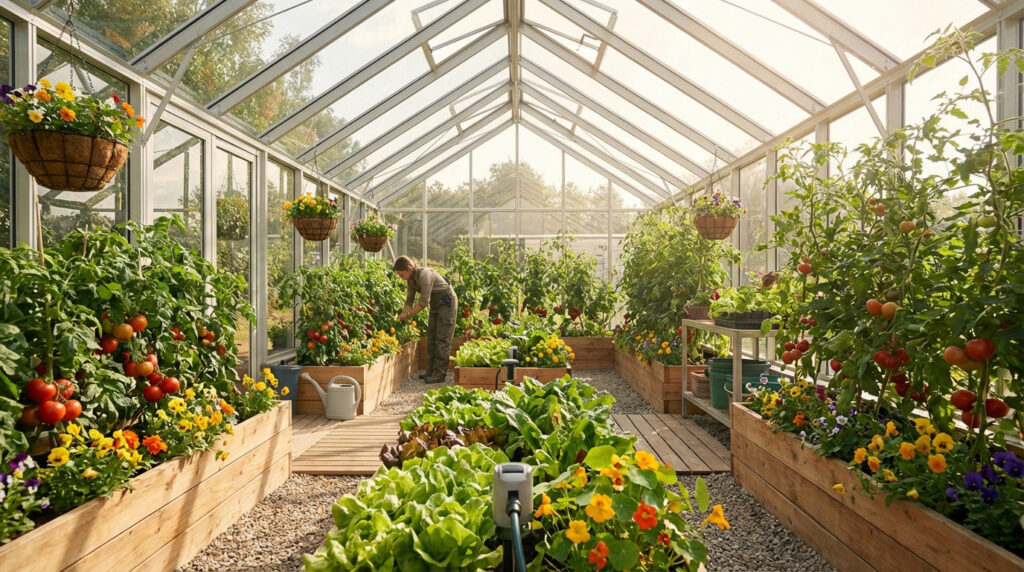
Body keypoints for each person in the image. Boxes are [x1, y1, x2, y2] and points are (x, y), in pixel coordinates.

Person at [394, 255, 457, 383]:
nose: (400, 277)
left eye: (401, 274)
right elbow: (409, 300)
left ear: (410, 268)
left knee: (442, 340)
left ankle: (440, 374)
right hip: (435, 305)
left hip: (446, 302)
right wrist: (403, 314)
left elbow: (423, 303)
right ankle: (432, 370)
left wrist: (408, 315)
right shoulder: (411, 280)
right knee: (431, 337)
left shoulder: (424, 275)